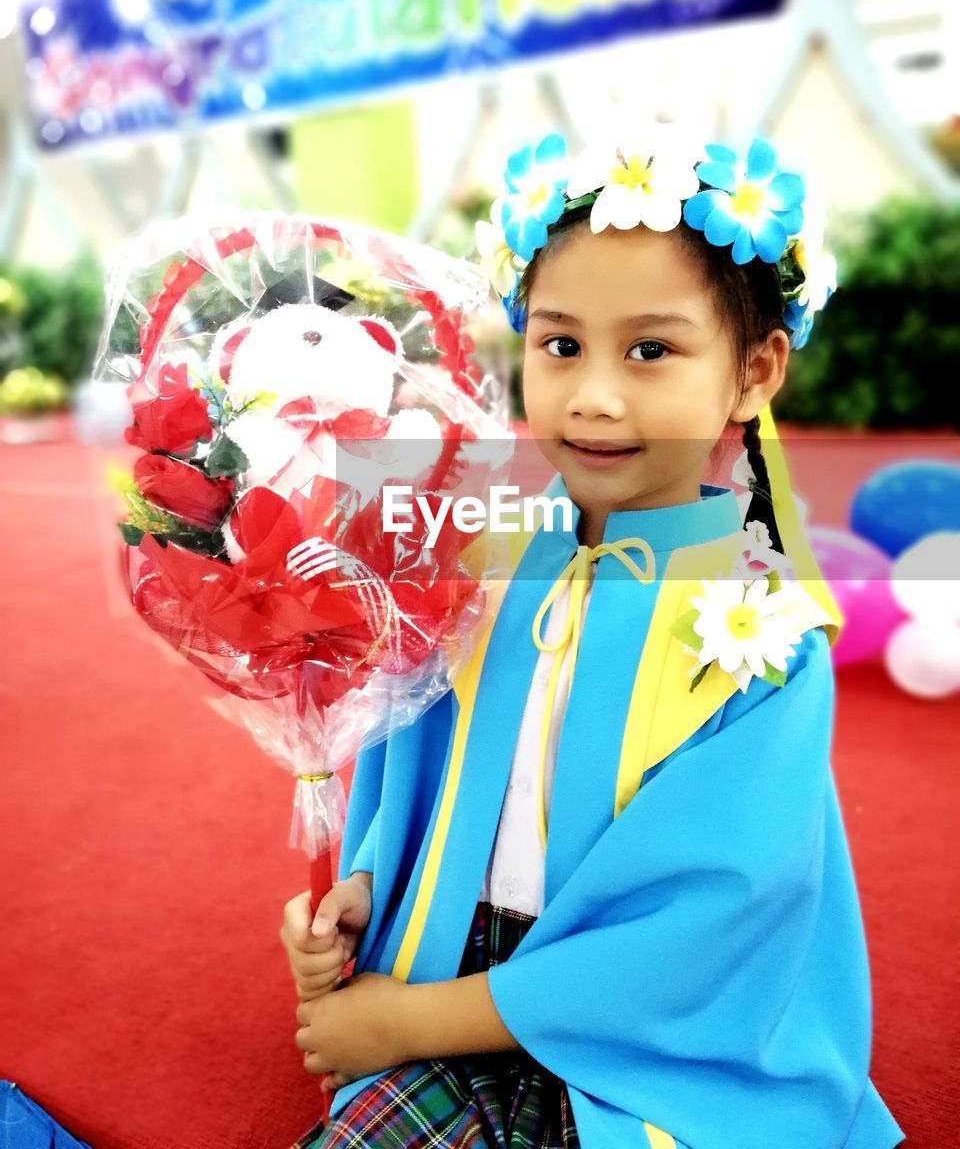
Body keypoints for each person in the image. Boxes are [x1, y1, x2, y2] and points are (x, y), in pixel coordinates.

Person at [279, 128, 905, 1149]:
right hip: (448, 964)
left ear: (754, 371)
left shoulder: (764, 644)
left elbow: (703, 929)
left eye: (649, 349)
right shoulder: (477, 569)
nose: (595, 394)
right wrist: (356, 893)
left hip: (658, 1051)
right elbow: (413, 785)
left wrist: (402, 1022)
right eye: (560, 343)